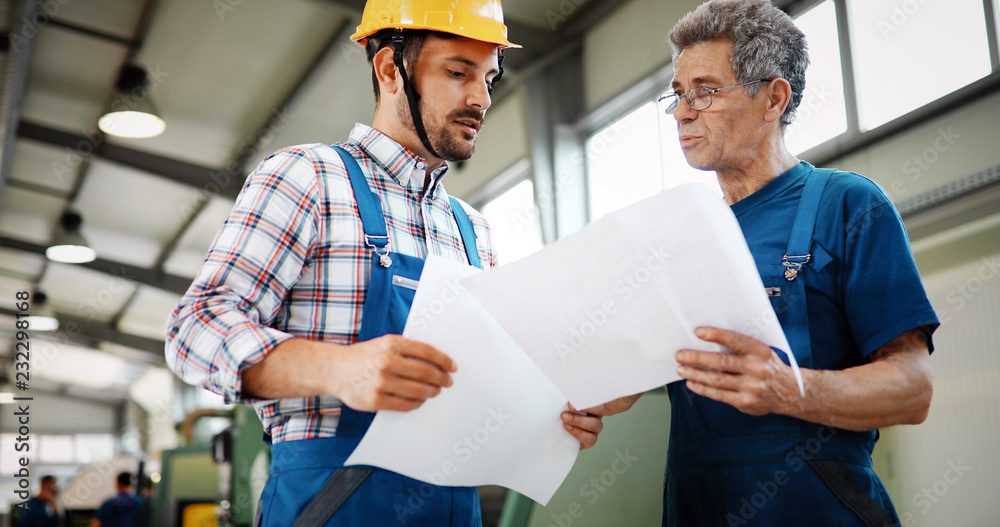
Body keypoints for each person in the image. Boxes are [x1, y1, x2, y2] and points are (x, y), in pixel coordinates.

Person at [165, 1, 606, 525]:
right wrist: (339, 368)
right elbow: (193, 330)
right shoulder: (307, 178)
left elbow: (485, 393)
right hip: (330, 502)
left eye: (490, 77)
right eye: (458, 72)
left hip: (453, 506)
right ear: (390, 69)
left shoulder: (473, 232)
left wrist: (556, 414)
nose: (480, 98)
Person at [608, 1, 939, 525]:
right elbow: (625, 382)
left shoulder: (847, 205)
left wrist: (791, 390)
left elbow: (913, 388)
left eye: (705, 90)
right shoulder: (675, 240)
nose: (683, 112)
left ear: (773, 97)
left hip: (819, 507)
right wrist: (592, 392)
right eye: (677, 95)